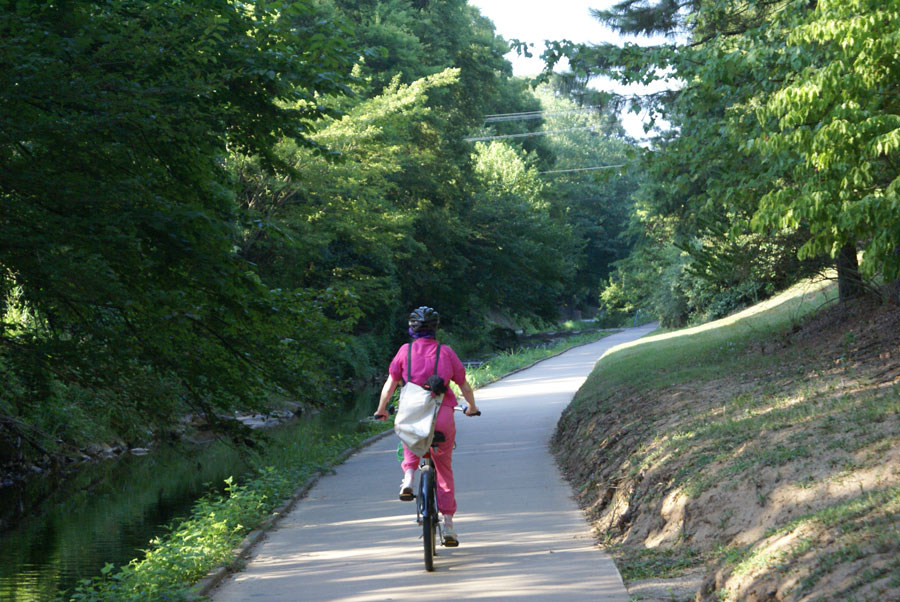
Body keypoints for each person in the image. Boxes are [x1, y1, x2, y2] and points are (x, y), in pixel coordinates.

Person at [374, 306, 478, 546]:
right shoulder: (446, 352)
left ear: (412, 329)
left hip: (412, 413)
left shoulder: (404, 351)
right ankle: (449, 525)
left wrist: (381, 410)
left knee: (411, 436)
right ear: (435, 329)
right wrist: (471, 407)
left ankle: (409, 477)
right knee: (443, 469)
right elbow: (464, 386)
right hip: (441, 417)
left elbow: (390, 385)